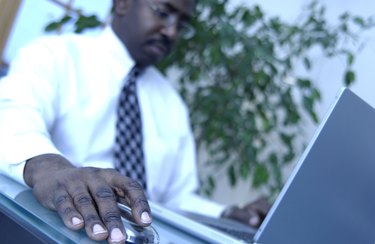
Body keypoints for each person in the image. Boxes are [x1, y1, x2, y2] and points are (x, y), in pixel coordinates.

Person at [0, 0, 270, 243]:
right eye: (163, 12)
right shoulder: (54, 55)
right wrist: (49, 166)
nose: (171, 32)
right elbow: (13, 114)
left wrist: (227, 214)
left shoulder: (172, 104)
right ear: (124, 4)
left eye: (182, 24)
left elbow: (174, 198)